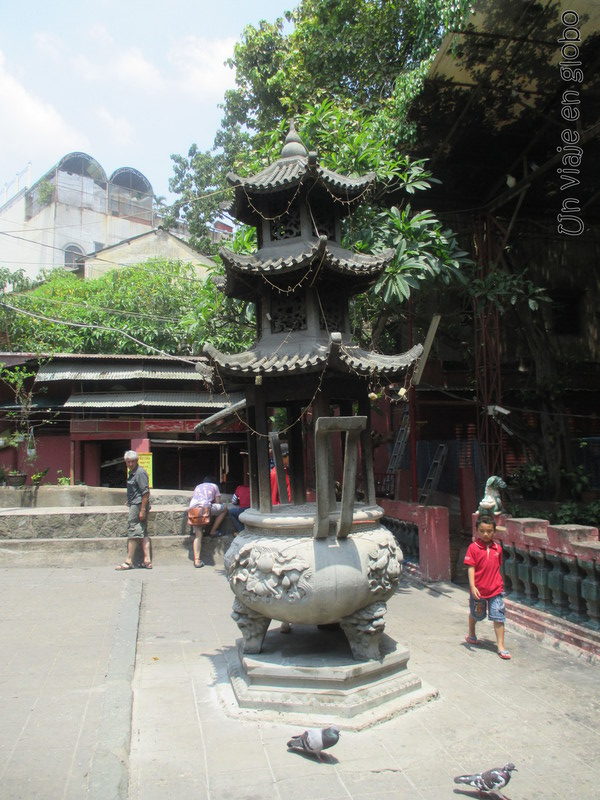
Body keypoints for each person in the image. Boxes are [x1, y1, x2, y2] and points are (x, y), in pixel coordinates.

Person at [464, 515, 511, 659]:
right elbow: (471, 568)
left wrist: (501, 583)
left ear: (494, 531)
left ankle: (501, 646)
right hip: (479, 590)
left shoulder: (498, 548)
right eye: (482, 531)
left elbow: (498, 567)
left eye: (489, 531)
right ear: (477, 531)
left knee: (499, 616)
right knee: (477, 614)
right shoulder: (473, 548)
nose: (486, 534)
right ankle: (471, 633)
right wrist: (472, 586)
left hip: (496, 589)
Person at [115, 450, 151, 570]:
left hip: (138, 505)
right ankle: (147, 560)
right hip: (135, 503)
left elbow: (145, 493)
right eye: (128, 462)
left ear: (137, 461)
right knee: (143, 532)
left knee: (133, 531)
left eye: (132, 461)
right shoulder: (132, 472)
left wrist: (142, 510)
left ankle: (129, 560)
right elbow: (135, 490)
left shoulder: (140, 473)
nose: (130, 464)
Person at [188, 475, 227, 568]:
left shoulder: (198, 486)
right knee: (224, 509)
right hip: (205, 510)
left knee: (198, 536)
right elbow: (217, 502)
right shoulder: (214, 486)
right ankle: (213, 531)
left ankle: (197, 560)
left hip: (193, 511)